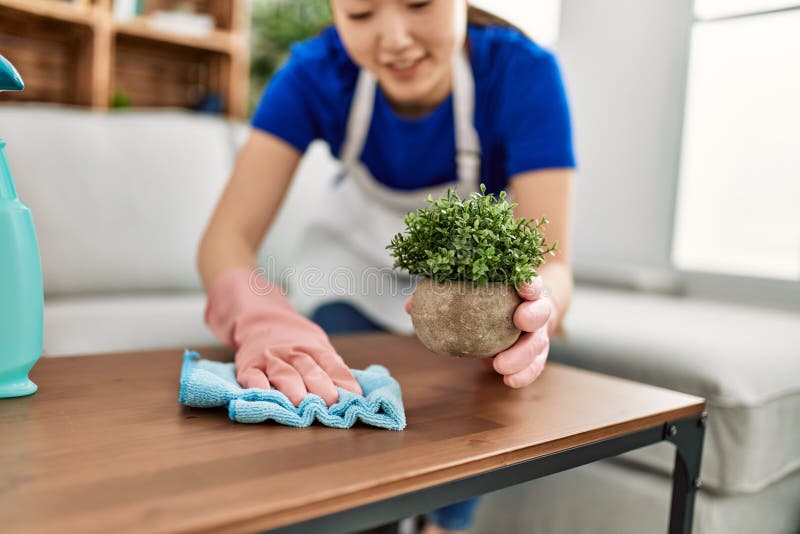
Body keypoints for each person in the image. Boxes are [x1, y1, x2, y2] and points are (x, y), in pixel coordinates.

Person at [197, 1, 575, 532]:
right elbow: (224, 240)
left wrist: (539, 308)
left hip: (467, 280)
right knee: (339, 389)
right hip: (352, 273)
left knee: (474, 393)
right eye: (360, 13)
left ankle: (439, 523)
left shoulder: (523, 73)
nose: (394, 39)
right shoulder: (313, 74)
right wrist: (261, 315)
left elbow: (553, 261)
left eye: (418, 3)